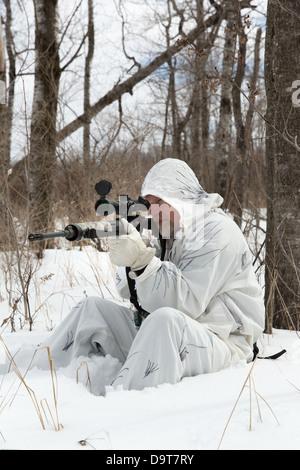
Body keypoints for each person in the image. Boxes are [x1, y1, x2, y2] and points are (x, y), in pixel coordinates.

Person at [29, 158, 265, 394]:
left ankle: (118, 410)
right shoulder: (170, 233)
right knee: (91, 310)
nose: (153, 211)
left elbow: (186, 304)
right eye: (149, 204)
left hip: (224, 342)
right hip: (174, 334)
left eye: (160, 201)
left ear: (181, 198)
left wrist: (142, 262)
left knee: (164, 321)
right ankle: (32, 382)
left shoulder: (216, 231)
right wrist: (132, 254)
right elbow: (129, 293)